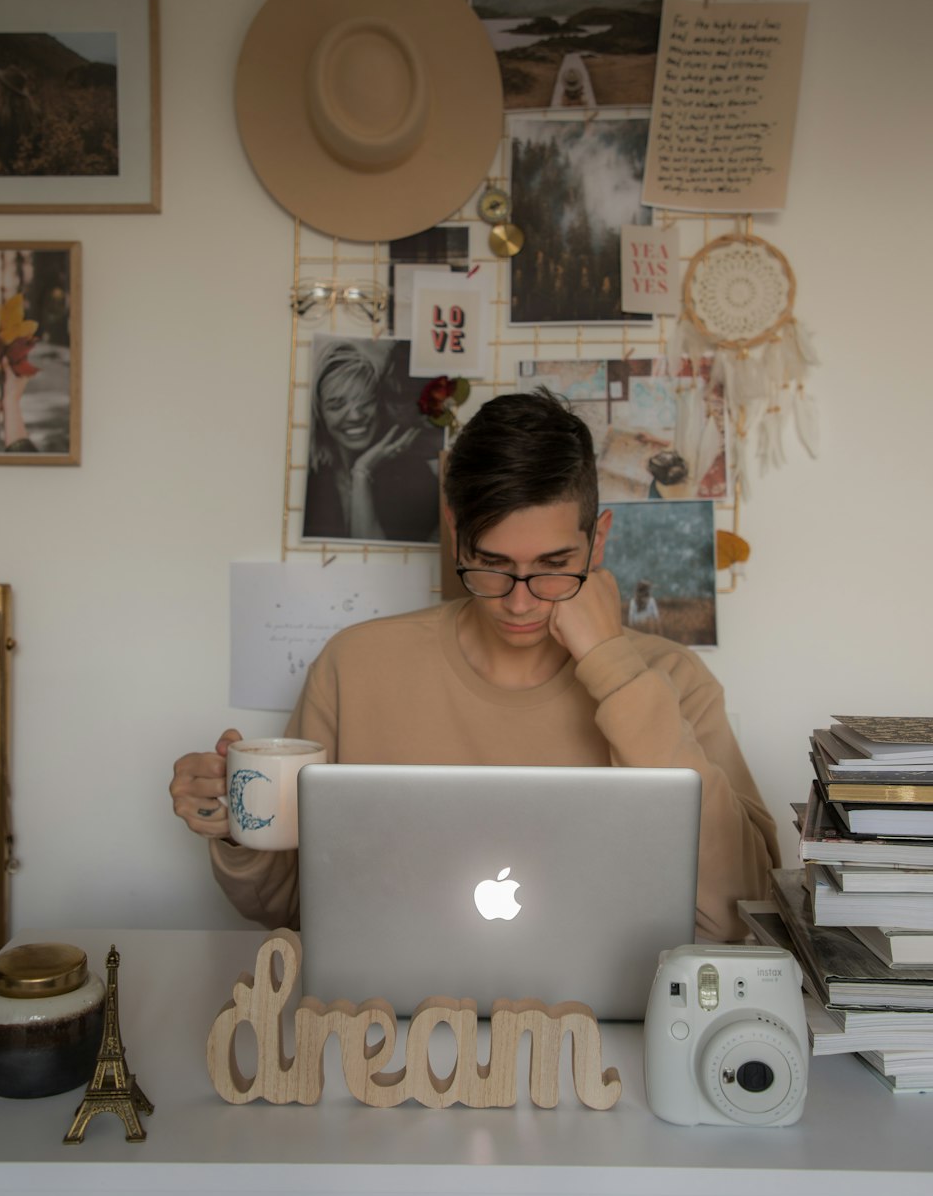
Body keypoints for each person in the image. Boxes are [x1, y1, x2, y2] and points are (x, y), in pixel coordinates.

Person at [171, 388, 779, 942]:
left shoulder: (671, 681)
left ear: (599, 542)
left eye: (552, 564)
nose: (519, 600)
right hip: (392, 1027)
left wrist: (611, 665)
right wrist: (235, 826)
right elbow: (287, 907)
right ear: (456, 534)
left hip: (607, 1035)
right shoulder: (352, 668)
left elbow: (742, 911)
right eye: (490, 563)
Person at [302, 337, 439, 543]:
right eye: (336, 405)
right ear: (319, 413)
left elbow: (378, 561)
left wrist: (362, 471)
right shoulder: (309, 479)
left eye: (365, 401)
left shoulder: (415, 477)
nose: (355, 416)